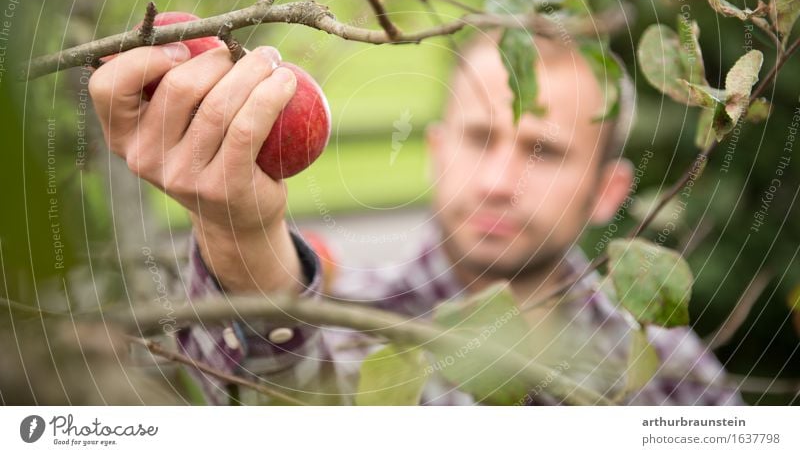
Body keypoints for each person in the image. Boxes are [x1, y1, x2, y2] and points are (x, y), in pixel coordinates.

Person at [87, 29, 742, 406]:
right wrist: (242, 230)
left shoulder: (671, 376)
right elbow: (275, 387)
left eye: (543, 150)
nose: (497, 181)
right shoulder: (355, 327)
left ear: (607, 190)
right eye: (481, 137)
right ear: (437, 150)